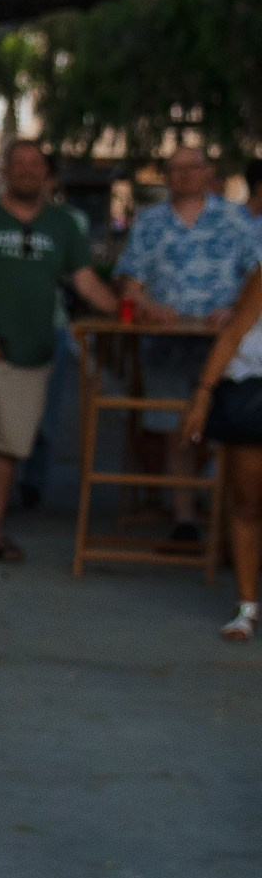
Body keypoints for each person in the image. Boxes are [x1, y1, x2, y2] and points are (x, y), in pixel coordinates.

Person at [0, 139, 121, 564]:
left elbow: (85, 281)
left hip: (34, 351)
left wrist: (125, 311)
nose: (26, 170)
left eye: (35, 164)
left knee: (11, 443)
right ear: (4, 170)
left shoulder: (62, 225)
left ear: (47, 173)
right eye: (18, 163)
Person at [111, 145, 260, 542]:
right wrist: (146, 306)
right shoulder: (150, 222)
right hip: (167, 345)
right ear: (166, 176)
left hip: (225, 347)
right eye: (176, 169)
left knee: (230, 426)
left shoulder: (235, 219)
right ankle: (185, 517)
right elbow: (130, 280)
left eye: (193, 168)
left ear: (208, 171)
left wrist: (235, 308)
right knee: (176, 426)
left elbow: (256, 275)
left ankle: (230, 519)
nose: (185, 175)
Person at [184, 259, 262, 639]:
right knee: (246, 501)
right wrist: (202, 395)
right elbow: (235, 331)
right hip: (254, 390)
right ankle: (247, 607)